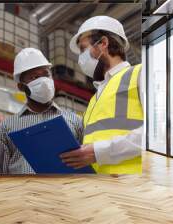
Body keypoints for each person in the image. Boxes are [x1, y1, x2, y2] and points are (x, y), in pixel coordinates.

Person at [60, 16, 144, 175]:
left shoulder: (140, 73)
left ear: (103, 43)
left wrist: (98, 152)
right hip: (99, 189)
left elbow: (160, 137)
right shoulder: (94, 99)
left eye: (83, 49)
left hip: (132, 187)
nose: (80, 58)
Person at [0, 48, 83, 174]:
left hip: (65, 191)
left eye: (46, 75)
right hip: (23, 192)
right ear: (21, 86)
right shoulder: (5, 128)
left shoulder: (75, 121)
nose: (43, 82)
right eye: (34, 77)